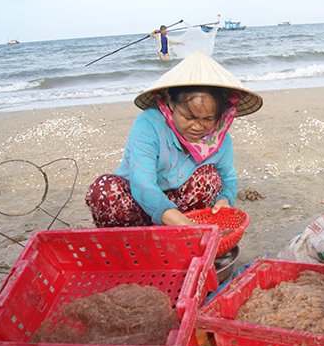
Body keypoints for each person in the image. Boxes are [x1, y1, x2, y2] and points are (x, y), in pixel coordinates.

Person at [85, 50, 263, 228]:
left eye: (208, 119)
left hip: (183, 212)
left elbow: (229, 179)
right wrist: (184, 224)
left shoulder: (219, 139)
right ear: (170, 102)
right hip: (138, 207)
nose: (197, 127)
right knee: (105, 189)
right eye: (189, 117)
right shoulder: (149, 124)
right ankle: (138, 244)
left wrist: (225, 199)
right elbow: (142, 183)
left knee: (210, 178)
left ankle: (181, 240)